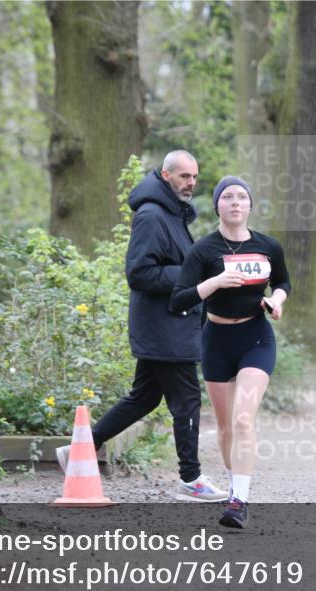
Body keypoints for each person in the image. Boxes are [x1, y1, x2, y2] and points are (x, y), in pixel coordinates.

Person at [57, 150, 228, 503]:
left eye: (194, 177)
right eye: (184, 176)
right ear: (166, 176)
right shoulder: (152, 215)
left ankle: (80, 447)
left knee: (145, 397)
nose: (191, 183)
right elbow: (139, 273)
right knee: (187, 401)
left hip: (168, 325)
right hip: (165, 327)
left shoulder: (171, 213)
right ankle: (191, 478)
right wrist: (193, 274)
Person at [169, 176, 290, 529]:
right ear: (217, 206)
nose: (235, 202)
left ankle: (239, 501)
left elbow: (282, 282)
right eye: (227, 197)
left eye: (241, 197)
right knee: (225, 428)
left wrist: (276, 301)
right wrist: (215, 283)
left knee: (242, 420)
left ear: (250, 206)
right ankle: (234, 481)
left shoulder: (268, 246)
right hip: (216, 341)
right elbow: (178, 298)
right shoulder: (204, 250)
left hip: (256, 338)